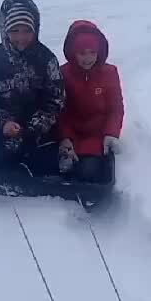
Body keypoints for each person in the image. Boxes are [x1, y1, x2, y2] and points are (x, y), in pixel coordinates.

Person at [0, 0, 65, 175]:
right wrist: (3, 123)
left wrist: (34, 126)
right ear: (5, 30)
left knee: (48, 164)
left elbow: (55, 100)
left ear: (35, 29)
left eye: (27, 30)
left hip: (36, 129)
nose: (21, 37)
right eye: (15, 31)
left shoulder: (47, 59)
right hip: (1, 128)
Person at [56, 20, 124, 182]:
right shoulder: (63, 74)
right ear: (73, 53)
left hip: (97, 134)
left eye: (92, 53)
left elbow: (116, 108)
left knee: (89, 172)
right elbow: (59, 110)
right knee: (61, 170)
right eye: (82, 53)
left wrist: (111, 133)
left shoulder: (109, 73)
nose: (87, 58)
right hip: (72, 133)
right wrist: (65, 137)